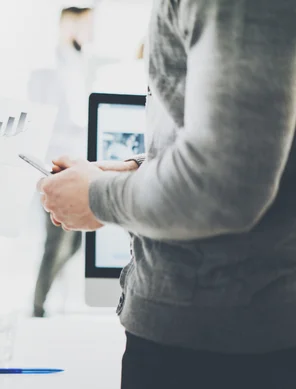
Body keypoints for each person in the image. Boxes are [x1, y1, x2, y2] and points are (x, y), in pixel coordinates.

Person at [39, 1, 296, 388]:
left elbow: (224, 187)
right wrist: (132, 169)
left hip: (209, 347)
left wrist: (97, 197)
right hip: (215, 332)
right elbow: (243, 142)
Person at [27, 6, 94, 318]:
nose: (90, 32)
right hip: (55, 168)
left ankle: (42, 303)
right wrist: (43, 175)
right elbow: (41, 125)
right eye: (85, 25)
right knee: (56, 242)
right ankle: (38, 307)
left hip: (77, 167)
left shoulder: (77, 66)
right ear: (69, 25)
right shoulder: (50, 70)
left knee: (75, 243)